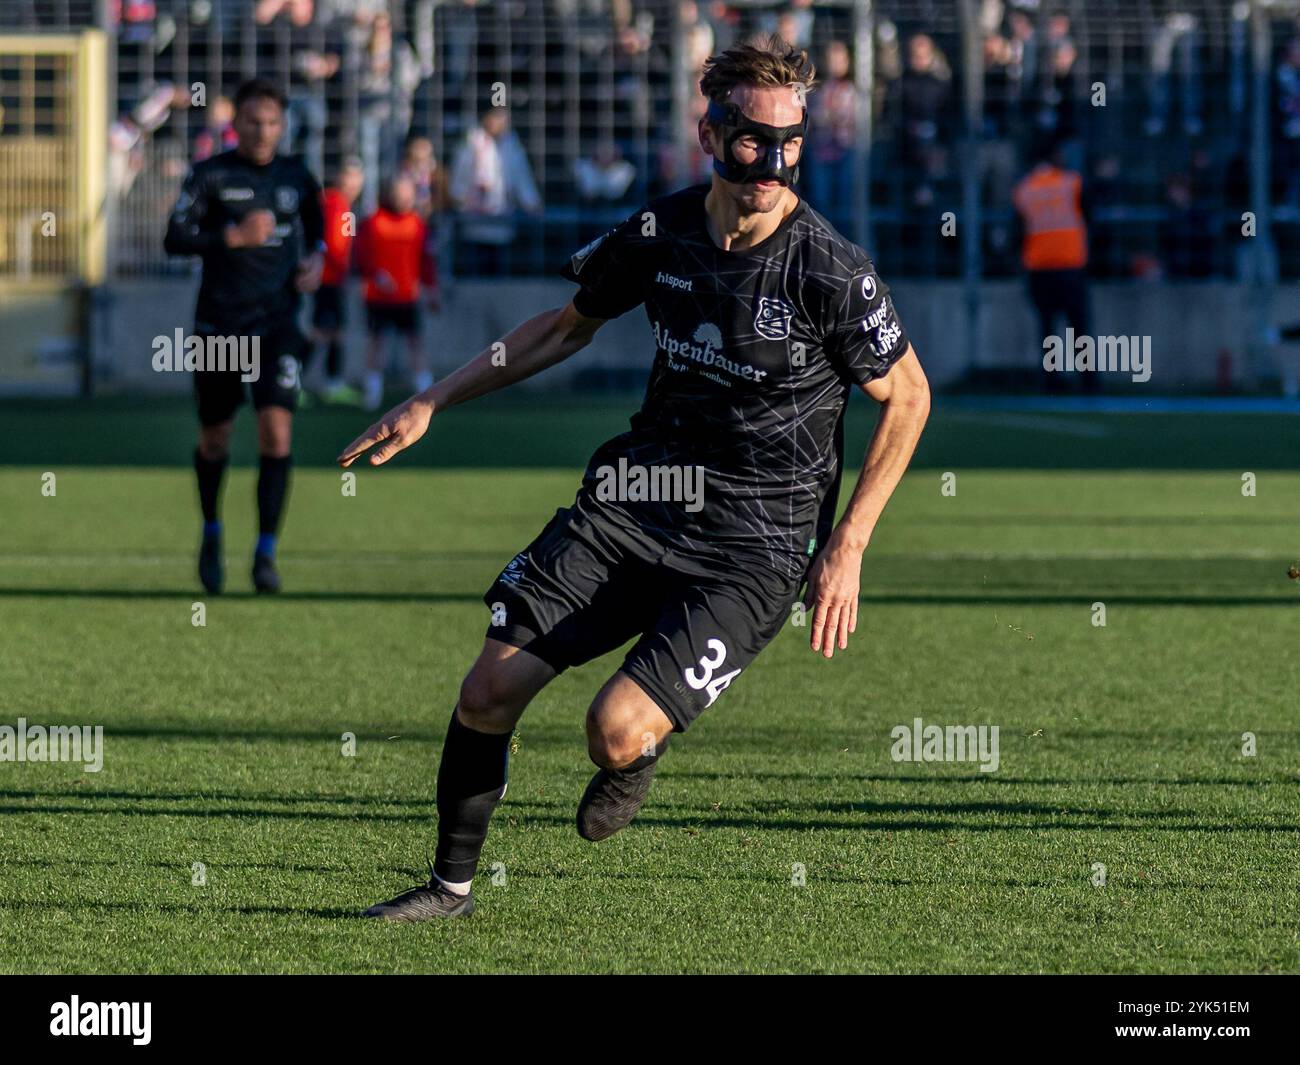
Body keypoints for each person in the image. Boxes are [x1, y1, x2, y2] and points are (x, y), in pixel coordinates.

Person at [339, 34, 929, 921]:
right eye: (752, 140)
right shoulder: (661, 231)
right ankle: (449, 890)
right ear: (711, 132)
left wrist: (847, 544)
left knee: (612, 730)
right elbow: (563, 328)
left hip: (753, 543)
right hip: (634, 502)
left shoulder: (829, 270)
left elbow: (910, 397)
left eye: (792, 142)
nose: (773, 162)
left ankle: (636, 753)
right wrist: (434, 399)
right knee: (486, 689)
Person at [164, 78, 324, 595]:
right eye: (254, 121)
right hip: (219, 326)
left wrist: (316, 262)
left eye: (273, 122)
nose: (264, 130)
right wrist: (230, 237)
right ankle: (212, 531)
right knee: (216, 437)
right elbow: (174, 236)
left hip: (277, 324)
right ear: (238, 123)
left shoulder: (298, 175)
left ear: (283, 125)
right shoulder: (211, 174)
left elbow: (320, 230)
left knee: (276, 432)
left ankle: (265, 553)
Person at [1011, 141, 1091, 392]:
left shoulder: (1024, 190)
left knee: (1048, 329)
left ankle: (1052, 381)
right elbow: (1089, 216)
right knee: (1079, 326)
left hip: (1039, 268)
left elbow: (1017, 231)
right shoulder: (1071, 182)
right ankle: (1088, 381)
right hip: (1070, 264)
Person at [355, 175, 439, 411]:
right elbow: (360, 256)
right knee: (375, 342)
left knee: (415, 343)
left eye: (407, 192)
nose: (403, 197)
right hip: (377, 297)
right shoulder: (372, 222)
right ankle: (372, 392)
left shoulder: (418, 224)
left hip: (407, 296)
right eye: (399, 192)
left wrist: (432, 290)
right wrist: (376, 274)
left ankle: (426, 393)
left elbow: (426, 261)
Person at [308, 158, 364, 404]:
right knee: (322, 331)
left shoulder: (342, 205)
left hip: (333, 278)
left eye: (358, 178)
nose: (355, 183)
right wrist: (342, 269)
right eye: (350, 177)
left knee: (332, 331)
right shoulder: (335, 203)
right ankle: (292, 381)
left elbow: (345, 242)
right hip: (329, 279)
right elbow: (333, 244)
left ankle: (333, 383)